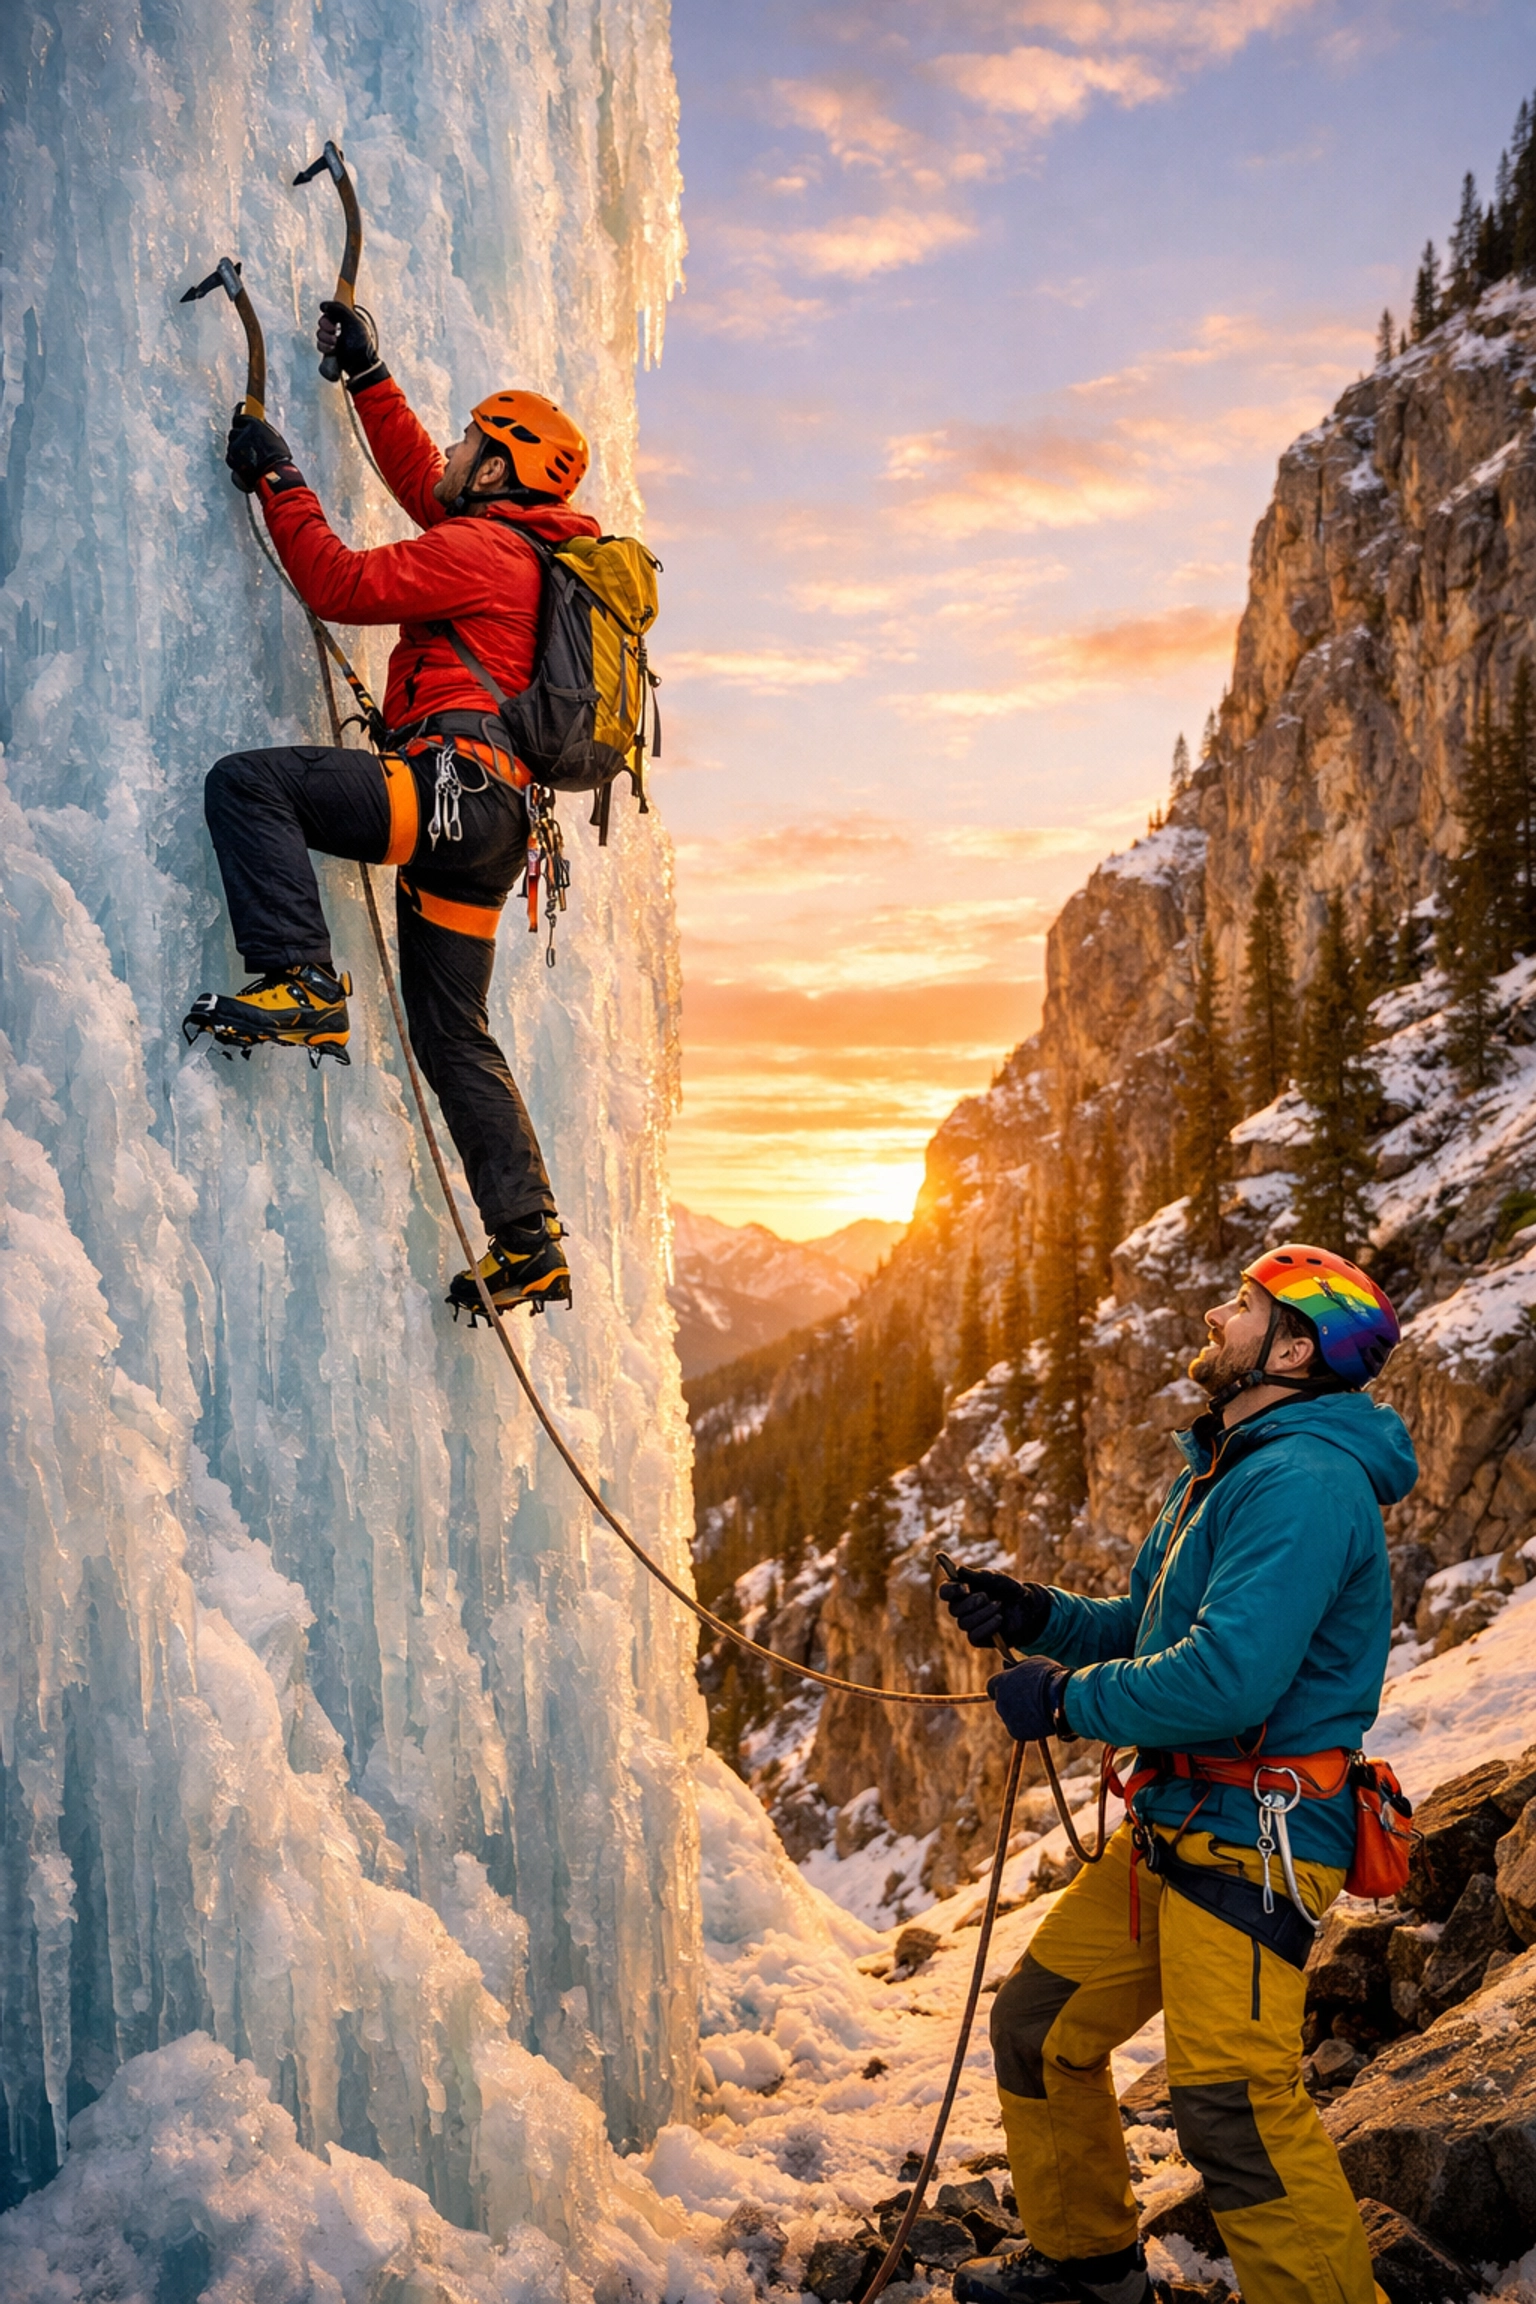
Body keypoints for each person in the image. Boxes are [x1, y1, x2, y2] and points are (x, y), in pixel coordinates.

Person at [941, 1245, 1415, 2304]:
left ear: (1294, 1348)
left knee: (1234, 2107)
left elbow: (1228, 1680)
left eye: (1240, 1306)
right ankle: (1087, 2266)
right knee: (1037, 2028)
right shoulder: (1236, 1463)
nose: (1214, 1313)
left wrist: (1066, 1700)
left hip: (1257, 1833)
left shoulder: (1301, 1480)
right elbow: (1153, 1628)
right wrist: (1039, 1617)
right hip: (1185, 1822)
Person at [184, 299, 593, 1318]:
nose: (453, 450)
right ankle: (528, 1242)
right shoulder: (515, 549)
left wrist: (280, 478)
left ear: (496, 470)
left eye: (471, 441)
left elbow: (333, 579)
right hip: (491, 828)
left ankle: (301, 978)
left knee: (252, 783)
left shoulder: (483, 555)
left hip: (449, 793)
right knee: (453, 1035)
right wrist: (369, 378)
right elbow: (428, 483)